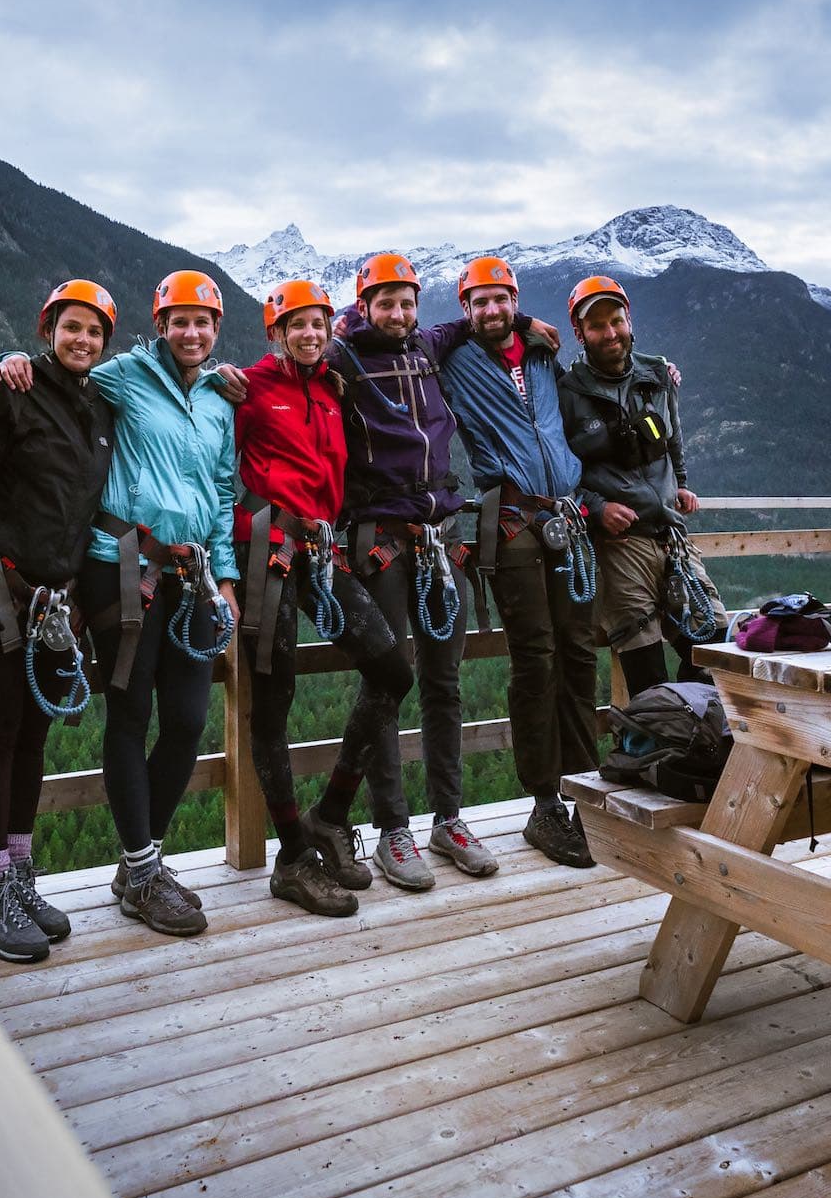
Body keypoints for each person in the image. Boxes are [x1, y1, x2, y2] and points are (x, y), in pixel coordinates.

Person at [0, 269, 240, 937]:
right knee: (131, 715)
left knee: (188, 720)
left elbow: (222, 493)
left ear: (216, 330)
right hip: (124, 570)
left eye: (203, 321)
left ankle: (141, 865)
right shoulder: (125, 374)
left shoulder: (219, 400)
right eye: (179, 319)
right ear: (159, 325)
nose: (191, 331)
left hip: (193, 576)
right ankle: (142, 863)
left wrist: (229, 580)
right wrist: (8, 361)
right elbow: (57, 377)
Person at [0, 279, 120, 963]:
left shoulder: (98, 405)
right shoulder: (9, 394)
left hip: (53, 603)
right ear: (49, 330)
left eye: (95, 331)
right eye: (72, 327)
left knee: (34, 737)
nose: (83, 340)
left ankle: (19, 875)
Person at [228, 278, 416, 916]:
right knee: (274, 698)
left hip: (321, 550)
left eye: (318, 324)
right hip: (267, 552)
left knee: (391, 669)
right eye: (296, 325)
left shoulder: (332, 388)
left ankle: (330, 815)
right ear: (275, 332)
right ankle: (291, 857)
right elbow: (195, 438)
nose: (310, 334)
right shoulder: (248, 390)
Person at [314, 252, 487, 890]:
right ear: (363, 306)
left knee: (444, 682)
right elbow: (286, 364)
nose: (398, 312)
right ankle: (393, 827)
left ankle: (449, 817)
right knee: (386, 685)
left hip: (440, 535)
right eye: (384, 302)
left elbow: (472, 323)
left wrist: (523, 322)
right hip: (380, 538)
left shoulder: (426, 345)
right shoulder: (342, 356)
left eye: (406, 301)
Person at [434, 257, 602, 868]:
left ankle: (586, 789)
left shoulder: (540, 355)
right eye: (477, 303)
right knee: (537, 659)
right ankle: (544, 804)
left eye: (500, 300)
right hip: (511, 523)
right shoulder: (452, 361)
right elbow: (371, 336)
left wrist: (661, 377)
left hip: (569, 516)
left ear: (513, 300)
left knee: (580, 653)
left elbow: (590, 393)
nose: (491, 311)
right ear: (465, 310)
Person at [559, 275, 722, 701]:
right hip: (620, 546)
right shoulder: (567, 393)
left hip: (671, 535)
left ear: (629, 320)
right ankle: (657, 753)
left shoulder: (656, 374)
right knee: (645, 667)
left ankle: (693, 739)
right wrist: (594, 508)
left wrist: (681, 486)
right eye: (597, 326)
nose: (610, 333)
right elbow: (557, 471)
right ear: (580, 333)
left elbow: (673, 440)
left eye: (616, 321)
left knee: (716, 644)